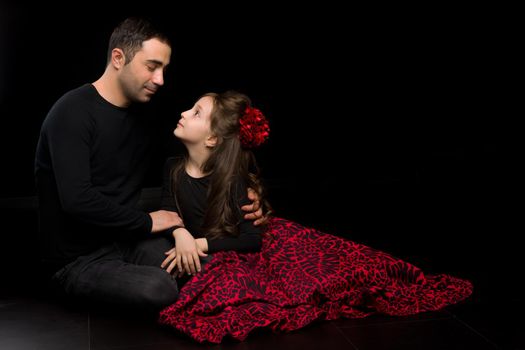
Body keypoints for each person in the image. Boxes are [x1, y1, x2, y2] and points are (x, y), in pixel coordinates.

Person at [155, 90, 474, 343]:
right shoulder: (172, 167)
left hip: (248, 244)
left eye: (196, 112)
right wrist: (180, 234)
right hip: (210, 244)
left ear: (212, 139)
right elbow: (170, 212)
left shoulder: (232, 180)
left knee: (332, 272)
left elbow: (251, 239)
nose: (183, 112)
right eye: (190, 109)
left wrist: (200, 242)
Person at [34, 17, 264, 312]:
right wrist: (149, 221)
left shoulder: (144, 114)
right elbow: (77, 200)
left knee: (208, 271)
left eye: (164, 69)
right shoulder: (72, 112)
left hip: (128, 240)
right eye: (152, 66)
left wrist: (248, 188)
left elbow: (205, 152)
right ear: (118, 58)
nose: (160, 79)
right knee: (159, 288)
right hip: (77, 259)